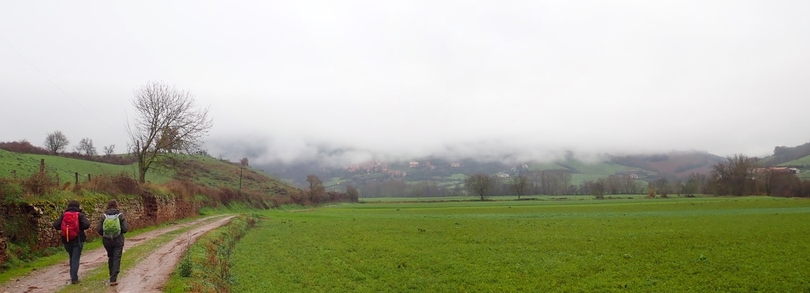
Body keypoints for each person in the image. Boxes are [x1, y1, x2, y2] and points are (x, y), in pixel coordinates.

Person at [52, 200, 91, 284]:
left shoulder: (64, 215)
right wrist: (80, 227)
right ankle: (74, 279)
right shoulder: (79, 215)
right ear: (78, 206)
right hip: (78, 239)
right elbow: (87, 224)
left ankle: (72, 276)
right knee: (75, 259)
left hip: (66, 240)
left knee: (71, 257)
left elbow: (56, 225)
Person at [96, 199, 129, 286]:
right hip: (118, 239)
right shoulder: (120, 215)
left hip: (107, 240)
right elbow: (125, 229)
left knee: (111, 257)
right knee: (116, 258)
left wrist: (105, 234)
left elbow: (99, 229)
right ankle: (113, 279)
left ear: (108, 205)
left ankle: (111, 275)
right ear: (116, 205)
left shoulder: (104, 216)